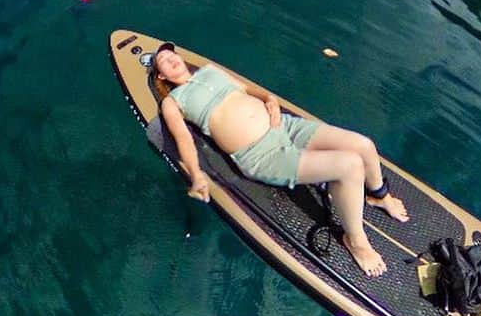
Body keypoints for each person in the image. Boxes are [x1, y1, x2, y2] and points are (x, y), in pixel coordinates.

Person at [152, 42, 407, 277]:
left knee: (363, 145)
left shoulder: (209, 70)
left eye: (170, 53)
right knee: (349, 165)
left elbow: (245, 88)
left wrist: (270, 99)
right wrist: (196, 175)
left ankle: (379, 195)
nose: (170, 58)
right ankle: (355, 241)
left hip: (284, 126)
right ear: (161, 75)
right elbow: (184, 139)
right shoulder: (173, 102)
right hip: (261, 154)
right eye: (163, 59)